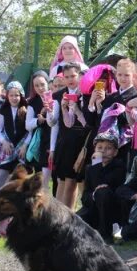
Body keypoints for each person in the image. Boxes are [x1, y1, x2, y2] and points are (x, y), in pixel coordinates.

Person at [76, 132, 128, 243]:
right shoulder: (90, 168)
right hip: (94, 208)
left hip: (112, 212)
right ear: (94, 150)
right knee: (75, 220)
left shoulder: (118, 166)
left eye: (108, 148)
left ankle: (105, 234)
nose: (103, 151)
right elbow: (85, 196)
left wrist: (97, 163)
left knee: (102, 192)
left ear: (115, 152)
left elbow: (100, 186)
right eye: (99, 148)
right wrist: (93, 195)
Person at [50, 62, 90, 207]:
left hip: (80, 142)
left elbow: (87, 122)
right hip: (64, 143)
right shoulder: (58, 95)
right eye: (66, 77)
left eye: (73, 76)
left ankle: (68, 216)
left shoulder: (86, 94)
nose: (70, 79)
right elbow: (53, 123)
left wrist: (77, 109)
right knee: (61, 180)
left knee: (73, 181)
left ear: (79, 75)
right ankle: (57, 214)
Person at [25, 71, 54, 190]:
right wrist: (38, 121)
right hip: (42, 141)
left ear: (48, 83)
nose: (40, 88)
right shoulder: (33, 102)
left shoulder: (56, 97)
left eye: (42, 84)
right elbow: (28, 125)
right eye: (36, 85)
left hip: (56, 138)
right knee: (42, 177)